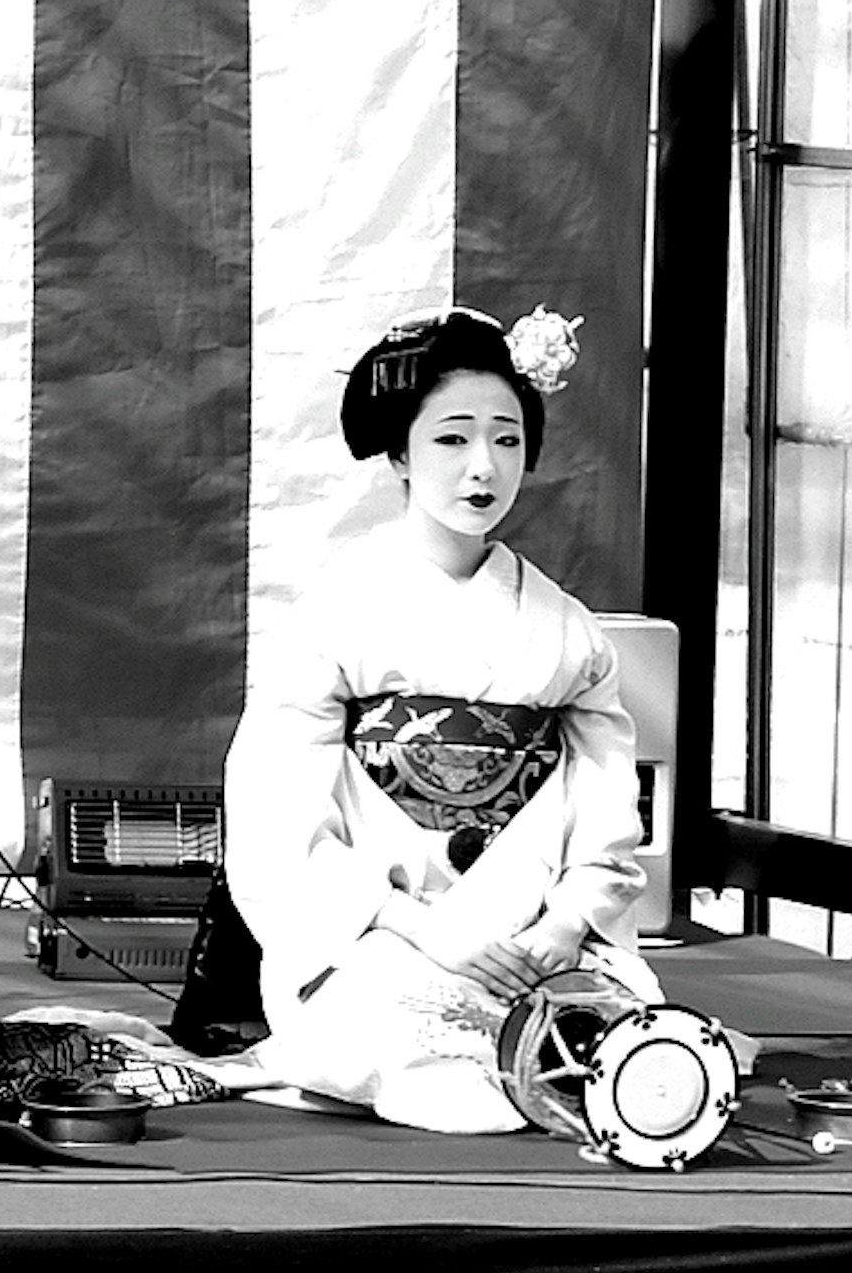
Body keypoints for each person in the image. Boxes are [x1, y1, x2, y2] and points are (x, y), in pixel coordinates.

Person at [221, 305, 650, 1133]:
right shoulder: (334, 614)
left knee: (622, 1032)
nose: (482, 467)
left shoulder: (569, 633)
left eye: (507, 439)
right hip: (386, 935)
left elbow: (603, 800)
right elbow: (280, 816)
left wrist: (568, 919)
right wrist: (425, 930)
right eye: (452, 439)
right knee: (387, 1026)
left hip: (535, 936)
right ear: (399, 455)